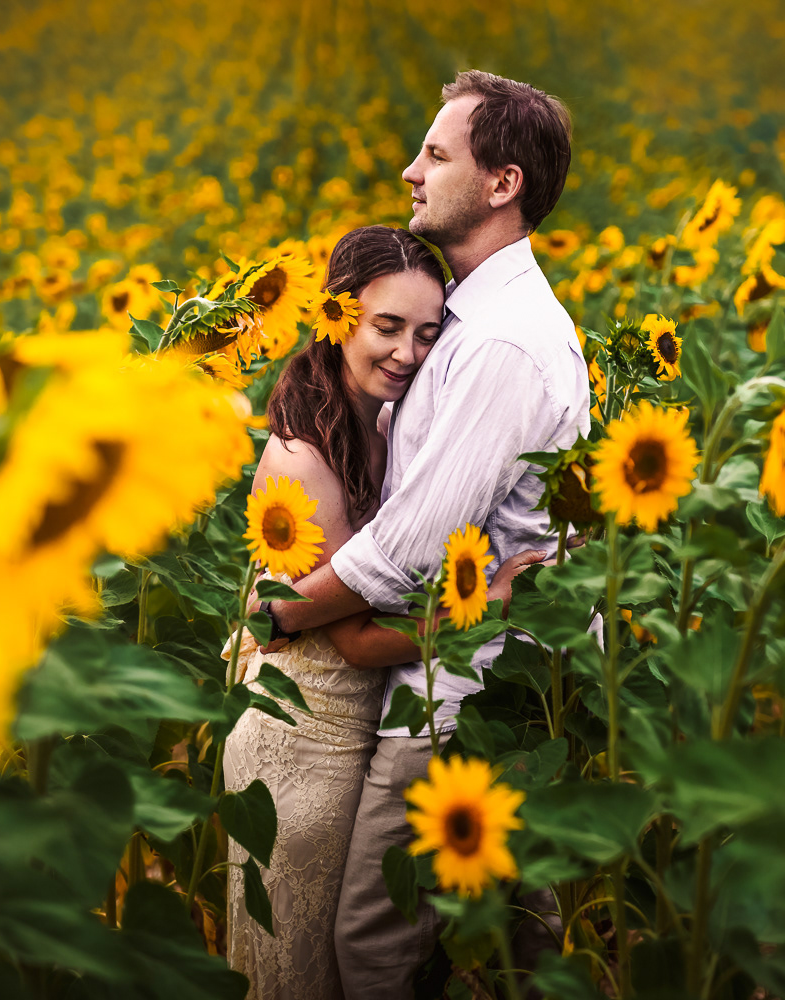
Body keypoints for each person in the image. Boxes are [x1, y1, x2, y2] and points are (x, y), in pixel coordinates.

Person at [257, 71, 587, 998]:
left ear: (501, 183)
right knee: (514, 937)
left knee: (377, 943)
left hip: (465, 684)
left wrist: (285, 615)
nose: (411, 171)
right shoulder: (471, 323)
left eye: (436, 155)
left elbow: (417, 541)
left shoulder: (499, 343)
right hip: (471, 667)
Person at [220, 224, 540, 1000]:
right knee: (299, 975)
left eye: (427, 334)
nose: (407, 352)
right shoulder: (306, 452)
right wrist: (487, 604)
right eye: (386, 327)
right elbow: (360, 642)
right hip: (306, 740)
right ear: (338, 319)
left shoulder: (392, 425)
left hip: (359, 732)